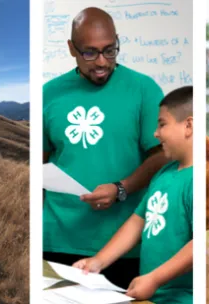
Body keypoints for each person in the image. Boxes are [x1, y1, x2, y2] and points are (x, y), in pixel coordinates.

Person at [42, 7, 168, 289]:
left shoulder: (144, 89)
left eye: (110, 51)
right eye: (90, 52)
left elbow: (162, 155)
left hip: (123, 245)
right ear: (71, 49)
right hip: (55, 239)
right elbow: (40, 163)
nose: (101, 62)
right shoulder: (47, 94)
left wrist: (121, 188)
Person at [74, 86, 193, 303]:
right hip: (151, 295)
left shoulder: (197, 180)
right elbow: (138, 221)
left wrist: (155, 279)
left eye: (162, 124)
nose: (156, 133)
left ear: (189, 126)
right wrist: (98, 261)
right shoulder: (164, 173)